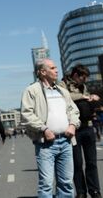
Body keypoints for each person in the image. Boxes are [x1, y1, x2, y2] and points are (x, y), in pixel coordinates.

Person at [21, 58, 80, 198]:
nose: (57, 70)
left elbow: (73, 110)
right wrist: (44, 129)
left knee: (66, 183)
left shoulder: (62, 90)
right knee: (46, 184)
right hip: (46, 144)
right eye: (53, 68)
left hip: (66, 141)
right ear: (42, 72)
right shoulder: (32, 90)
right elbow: (26, 114)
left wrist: (72, 125)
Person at [61, 64, 101, 198]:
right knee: (77, 163)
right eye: (83, 78)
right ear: (76, 75)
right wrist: (84, 97)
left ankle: (94, 191)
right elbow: (65, 98)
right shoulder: (62, 84)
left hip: (88, 127)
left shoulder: (83, 87)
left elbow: (85, 97)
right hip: (73, 130)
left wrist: (92, 98)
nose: (85, 82)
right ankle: (81, 192)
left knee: (91, 163)